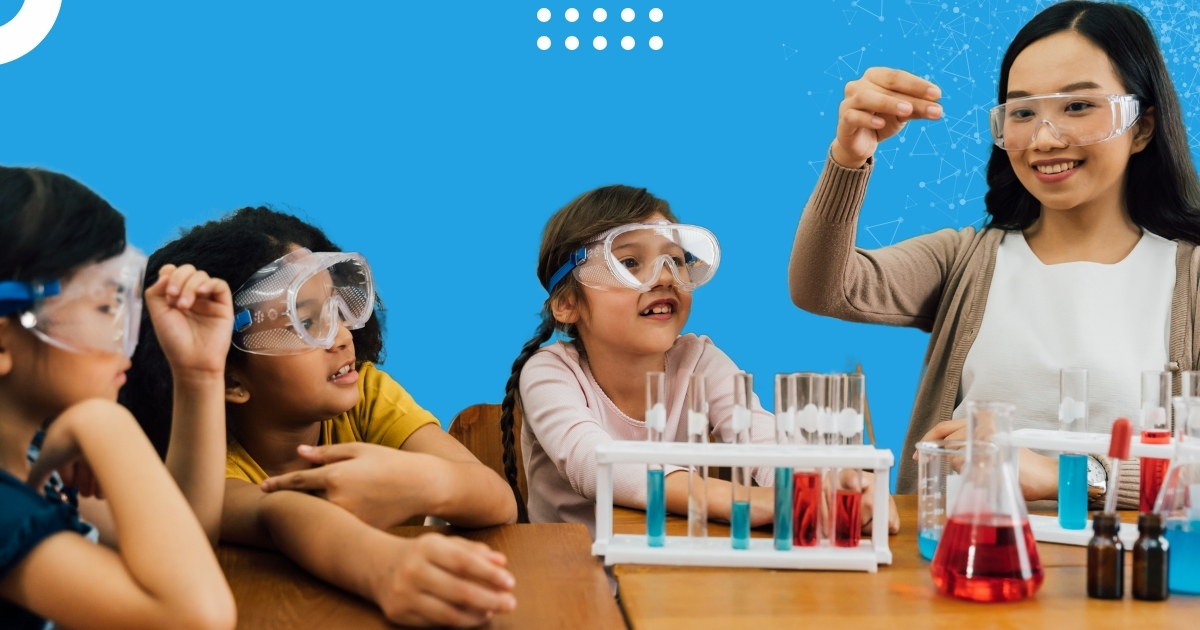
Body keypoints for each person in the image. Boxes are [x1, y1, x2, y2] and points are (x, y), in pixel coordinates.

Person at [789, 1, 1200, 507]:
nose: (1044, 139)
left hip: (1122, 576)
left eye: (1077, 106)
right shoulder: (966, 260)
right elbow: (822, 287)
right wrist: (849, 157)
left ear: (1142, 126)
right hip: (962, 559)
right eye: (1023, 112)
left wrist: (1065, 477)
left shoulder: (1191, 278)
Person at [122, 206, 517, 627]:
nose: (342, 337)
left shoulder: (368, 394)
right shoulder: (206, 467)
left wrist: (426, 481)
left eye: (335, 309)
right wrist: (384, 565)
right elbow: (280, 514)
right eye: (305, 321)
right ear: (232, 381)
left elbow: (500, 502)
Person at [503, 184, 900, 534]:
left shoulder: (700, 361)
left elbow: (762, 439)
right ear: (568, 303)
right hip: (572, 589)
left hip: (670, 580)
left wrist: (828, 484)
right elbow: (596, 465)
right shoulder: (548, 372)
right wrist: (748, 502)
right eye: (628, 264)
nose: (664, 277)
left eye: (675, 260)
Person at [0, 166, 235, 630]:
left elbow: (179, 541)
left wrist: (200, 374)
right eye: (104, 305)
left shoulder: (31, 467)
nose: (121, 330)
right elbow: (195, 616)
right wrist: (105, 424)